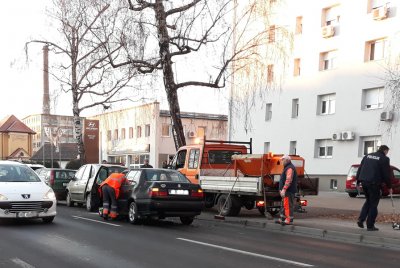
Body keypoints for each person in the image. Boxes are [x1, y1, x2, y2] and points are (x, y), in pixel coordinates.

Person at [356, 145, 392, 231]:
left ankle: (361, 219)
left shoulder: (367, 156)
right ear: (385, 150)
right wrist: (389, 186)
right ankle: (370, 225)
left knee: (368, 201)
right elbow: (386, 174)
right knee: (373, 204)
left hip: (364, 182)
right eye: (387, 152)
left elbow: (360, 168)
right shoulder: (384, 158)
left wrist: (357, 181)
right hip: (374, 184)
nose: (387, 154)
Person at [275, 155, 298, 226]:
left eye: (283, 160)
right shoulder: (287, 167)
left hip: (288, 190)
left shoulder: (290, 168)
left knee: (288, 205)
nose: (282, 161)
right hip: (286, 191)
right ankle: (282, 218)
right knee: (284, 205)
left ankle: (288, 220)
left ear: (287, 160)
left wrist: (284, 189)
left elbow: (288, 180)